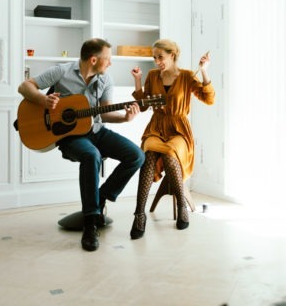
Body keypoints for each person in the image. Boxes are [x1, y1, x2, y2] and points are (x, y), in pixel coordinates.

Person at [18, 38, 145, 251]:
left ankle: (101, 198)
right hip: (70, 137)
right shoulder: (62, 71)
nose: (110, 64)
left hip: (96, 131)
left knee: (137, 156)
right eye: (108, 60)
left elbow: (105, 113)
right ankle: (90, 223)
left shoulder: (105, 80)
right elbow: (25, 86)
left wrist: (125, 118)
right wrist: (43, 100)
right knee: (91, 155)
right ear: (94, 59)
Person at [129, 39, 214, 239]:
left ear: (172, 55)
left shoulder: (185, 76)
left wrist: (204, 70)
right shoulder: (152, 76)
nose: (157, 61)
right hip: (156, 128)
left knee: (169, 153)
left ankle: (182, 207)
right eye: (154, 57)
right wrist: (138, 81)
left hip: (179, 131)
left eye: (161, 57)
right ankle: (139, 214)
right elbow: (142, 107)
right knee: (149, 154)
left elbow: (209, 99)